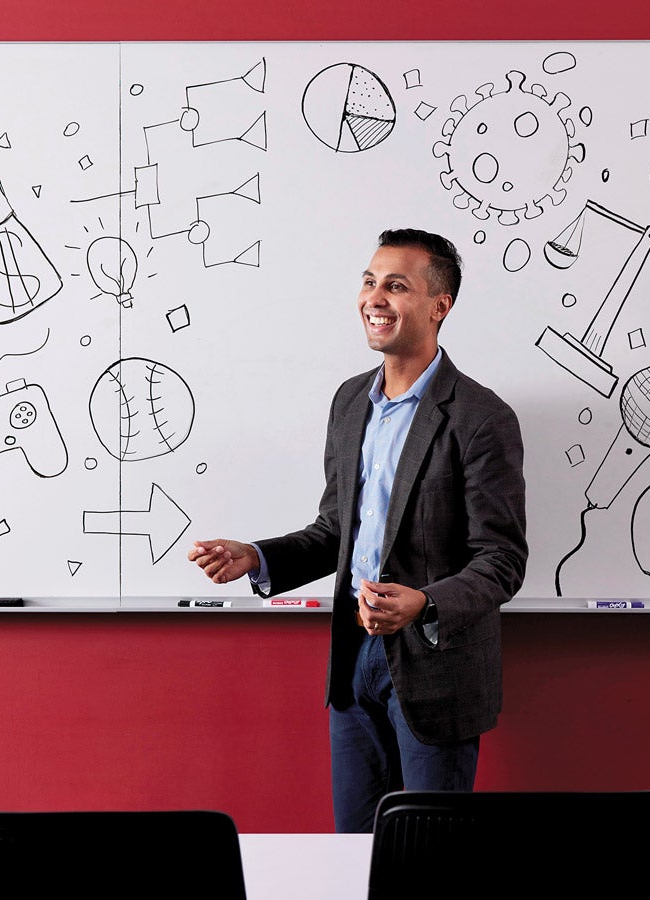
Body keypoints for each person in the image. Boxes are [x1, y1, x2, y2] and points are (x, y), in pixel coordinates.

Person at [188, 228, 527, 833]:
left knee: (428, 861)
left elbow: (500, 560)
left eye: (396, 286)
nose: (375, 297)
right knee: (352, 855)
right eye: (369, 282)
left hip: (437, 669)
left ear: (438, 306)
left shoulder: (481, 418)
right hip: (353, 662)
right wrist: (256, 558)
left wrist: (424, 603)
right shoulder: (351, 404)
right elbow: (335, 529)